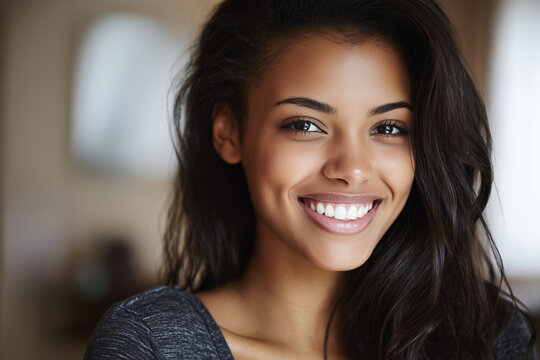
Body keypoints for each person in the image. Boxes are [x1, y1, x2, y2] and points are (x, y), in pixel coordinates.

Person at [84, 0, 537, 359]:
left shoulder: (489, 338)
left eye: (389, 128)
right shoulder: (155, 346)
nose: (352, 167)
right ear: (229, 133)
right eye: (304, 124)